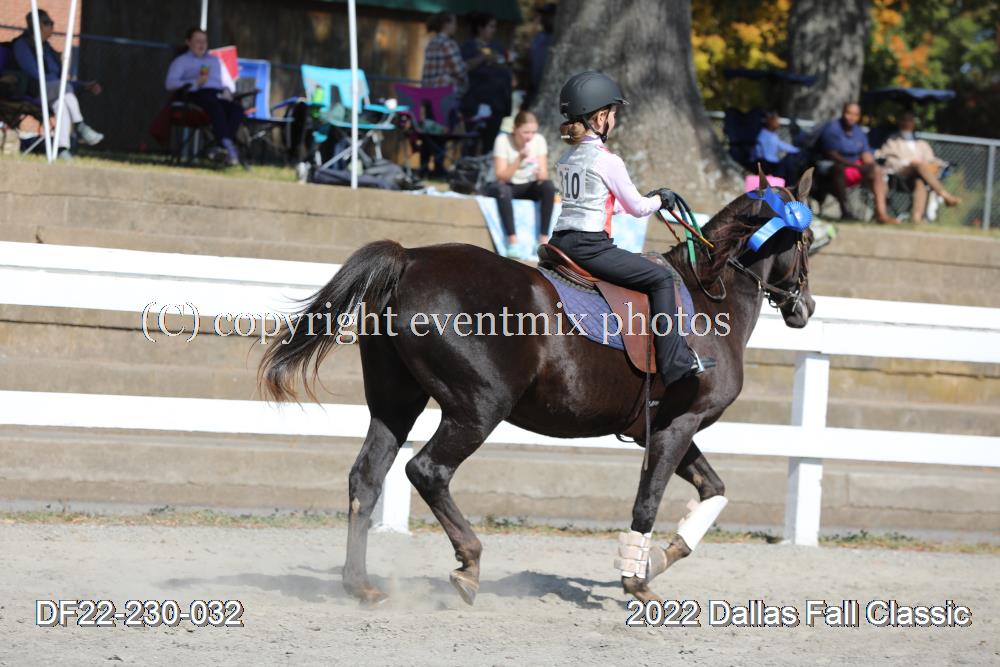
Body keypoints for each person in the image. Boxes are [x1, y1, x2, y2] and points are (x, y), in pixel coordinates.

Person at [547, 71, 714, 387]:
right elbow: (638, 208)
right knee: (661, 278)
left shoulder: (567, 156)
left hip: (561, 242)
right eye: (612, 114)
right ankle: (675, 361)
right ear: (600, 118)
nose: (614, 120)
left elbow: (605, 204)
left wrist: (646, 201)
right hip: (590, 246)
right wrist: (661, 200)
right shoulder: (608, 160)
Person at [12, 9, 103, 157]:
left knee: (62, 102)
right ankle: (79, 125)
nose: (52, 26)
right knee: (63, 89)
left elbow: (61, 81)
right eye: (47, 23)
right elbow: (34, 74)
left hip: (54, 91)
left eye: (51, 23)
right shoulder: (22, 45)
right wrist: (63, 84)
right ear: (37, 25)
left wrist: (83, 85)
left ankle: (61, 149)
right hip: (33, 91)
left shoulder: (48, 50)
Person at [165, 27, 243, 166]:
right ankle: (229, 150)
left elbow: (229, 83)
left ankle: (220, 148)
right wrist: (195, 82)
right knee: (214, 106)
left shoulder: (215, 61)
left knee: (236, 109)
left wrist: (227, 90)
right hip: (195, 95)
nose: (201, 45)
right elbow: (170, 84)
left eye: (204, 41)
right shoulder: (182, 61)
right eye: (197, 41)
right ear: (188, 42)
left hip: (218, 95)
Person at [483, 110, 556, 258]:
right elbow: (501, 176)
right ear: (515, 129)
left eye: (533, 132)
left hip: (528, 184)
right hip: (508, 184)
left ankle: (543, 240)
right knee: (502, 190)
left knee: (548, 186)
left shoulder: (539, 140)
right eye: (525, 132)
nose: (530, 137)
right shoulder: (503, 140)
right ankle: (513, 242)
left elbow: (544, 175)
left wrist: (539, 172)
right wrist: (519, 159)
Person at [816, 102, 899, 224]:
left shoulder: (859, 132)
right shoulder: (832, 129)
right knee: (838, 168)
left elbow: (865, 153)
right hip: (832, 170)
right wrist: (857, 166)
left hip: (854, 169)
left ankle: (881, 214)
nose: (851, 117)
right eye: (849, 113)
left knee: (876, 170)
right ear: (843, 113)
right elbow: (831, 155)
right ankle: (845, 211)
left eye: (855, 114)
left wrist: (873, 166)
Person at [876, 110, 960, 223]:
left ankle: (916, 218)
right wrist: (907, 162)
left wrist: (939, 164)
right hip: (900, 174)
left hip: (920, 175)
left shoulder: (921, 143)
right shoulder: (893, 140)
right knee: (918, 165)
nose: (907, 123)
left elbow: (931, 159)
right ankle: (945, 195)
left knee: (920, 181)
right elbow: (886, 157)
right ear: (900, 122)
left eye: (910, 120)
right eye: (904, 120)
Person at [419, 13, 466, 177]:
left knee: (429, 131)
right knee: (441, 132)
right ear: (446, 24)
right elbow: (459, 69)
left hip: (429, 93)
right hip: (444, 94)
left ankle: (424, 166)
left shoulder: (432, 43)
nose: (456, 27)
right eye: (454, 23)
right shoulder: (448, 43)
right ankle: (439, 168)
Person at [460, 12, 512, 155]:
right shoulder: (468, 47)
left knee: (490, 145)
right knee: (471, 141)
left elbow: (506, 68)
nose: (494, 30)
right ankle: (467, 166)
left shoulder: (498, 47)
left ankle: (485, 167)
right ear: (480, 27)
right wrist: (483, 58)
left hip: (497, 103)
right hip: (474, 103)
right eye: (491, 26)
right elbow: (463, 67)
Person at [751, 111, 800, 181]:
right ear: (771, 122)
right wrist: (797, 150)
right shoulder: (767, 135)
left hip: (770, 162)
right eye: (776, 121)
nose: (778, 123)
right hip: (767, 164)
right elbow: (782, 146)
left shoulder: (770, 134)